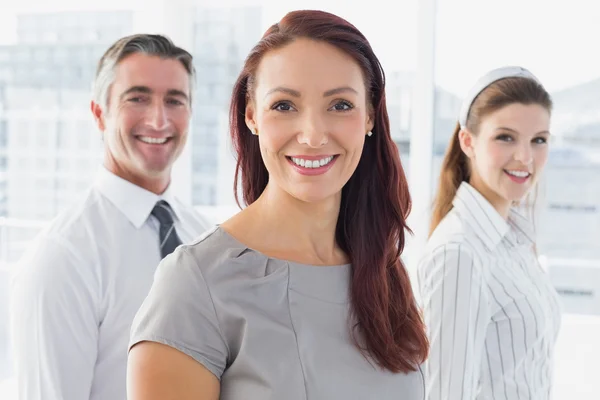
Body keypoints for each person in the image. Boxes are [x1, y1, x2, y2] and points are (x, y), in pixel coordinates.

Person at [127, 9, 428, 400]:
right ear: (252, 116)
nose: (313, 135)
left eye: (340, 105)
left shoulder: (382, 270)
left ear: (370, 115)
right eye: (285, 105)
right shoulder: (195, 285)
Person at [9, 34, 211, 400]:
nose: (159, 119)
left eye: (175, 100)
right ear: (100, 114)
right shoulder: (64, 256)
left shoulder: (205, 238)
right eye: (138, 98)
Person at [418, 66, 562, 400]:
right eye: (505, 137)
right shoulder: (459, 252)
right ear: (468, 141)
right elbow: (445, 394)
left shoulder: (513, 240)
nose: (525, 157)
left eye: (539, 140)